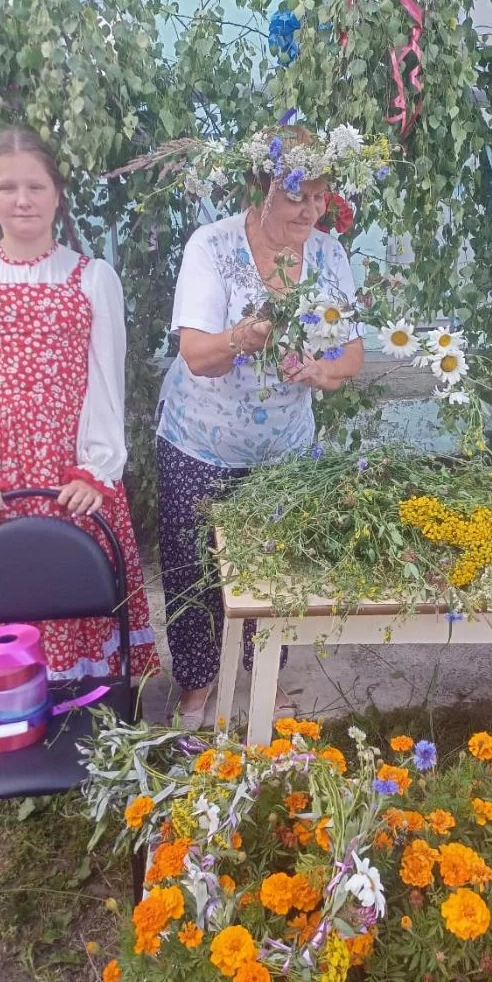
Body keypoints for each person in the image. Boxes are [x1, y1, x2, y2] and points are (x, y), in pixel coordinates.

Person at [156, 124, 375, 729]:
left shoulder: (329, 256)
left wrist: (322, 371)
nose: (311, 210)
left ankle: (265, 681)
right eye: (298, 195)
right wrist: (240, 338)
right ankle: (197, 687)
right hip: (200, 440)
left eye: (320, 196)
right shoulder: (213, 246)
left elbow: (352, 353)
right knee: (194, 570)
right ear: (262, 187)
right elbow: (197, 354)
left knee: (274, 571)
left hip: (283, 450)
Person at [0, 127, 159, 681]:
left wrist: (97, 470)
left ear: (58, 193)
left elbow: (106, 381)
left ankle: (88, 706)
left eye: (35, 186)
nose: (22, 200)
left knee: (74, 584)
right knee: (2, 593)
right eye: (6, 188)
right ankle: (9, 705)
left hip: (69, 476)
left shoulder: (92, 278)